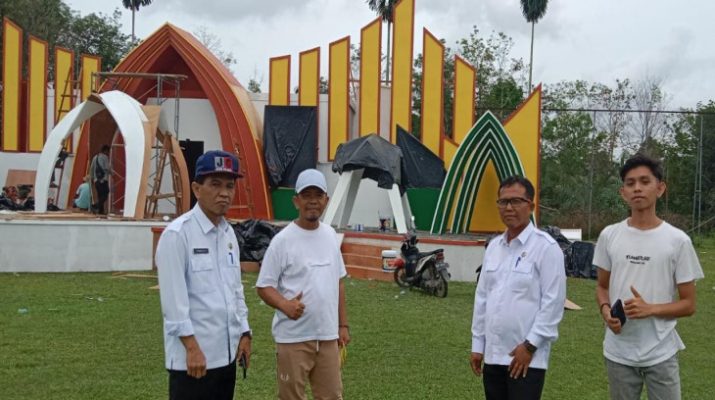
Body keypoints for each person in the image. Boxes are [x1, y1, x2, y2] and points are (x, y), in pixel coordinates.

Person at [594, 153, 703, 400]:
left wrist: (650, 309)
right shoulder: (609, 235)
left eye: (645, 181)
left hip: (661, 352)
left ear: (660, 188)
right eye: (630, 183)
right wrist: (605, 311)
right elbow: (602, 287)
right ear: (623, 192)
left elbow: (689, 304)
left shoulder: (678, 240)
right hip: (619, 352)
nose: (637, 188)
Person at [156, 150, 252, 400]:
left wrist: (244, 332)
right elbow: (174, 303)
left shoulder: (228, 234)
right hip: (194, 360)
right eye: (215, 184)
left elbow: (235, 290)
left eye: (230, 186)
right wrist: (192, 348)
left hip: (226, 356)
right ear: (197, 189)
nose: (224, 193)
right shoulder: (178, 235)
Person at [256, 168, 350, 400]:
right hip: (293, 338)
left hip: (327, 337)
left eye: (318, 195)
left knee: (331, 395)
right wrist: (284, 305)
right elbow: (264, 286)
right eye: (306, 195)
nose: (313, 201)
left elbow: (338, 282)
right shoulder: (282, 241)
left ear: (326, 200)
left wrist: (343, 325)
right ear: (296, 201)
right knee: (292, 396)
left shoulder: (330, 236)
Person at [470, 175, 566, 400]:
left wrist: (530, 346)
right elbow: (482, 298)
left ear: (530, 206)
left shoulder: (546, 248)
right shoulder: (494, 247)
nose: (509, 207)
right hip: (493, 355)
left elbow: (553, 303)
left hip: (526, 359)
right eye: (503, 202)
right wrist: (478, 345)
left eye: (516, 201)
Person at [90, 145, 111, 214]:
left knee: (100, 196)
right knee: (106, 193)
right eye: (108, 151)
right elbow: (107, 168)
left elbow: (92, 168)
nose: (108, 153)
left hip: (96, 180)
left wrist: (92, 178)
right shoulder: (105, 157)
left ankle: (100, 211)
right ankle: (95, 206)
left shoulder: (95, 157)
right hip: (103, 179)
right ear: (105, 150)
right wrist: (112, 172)